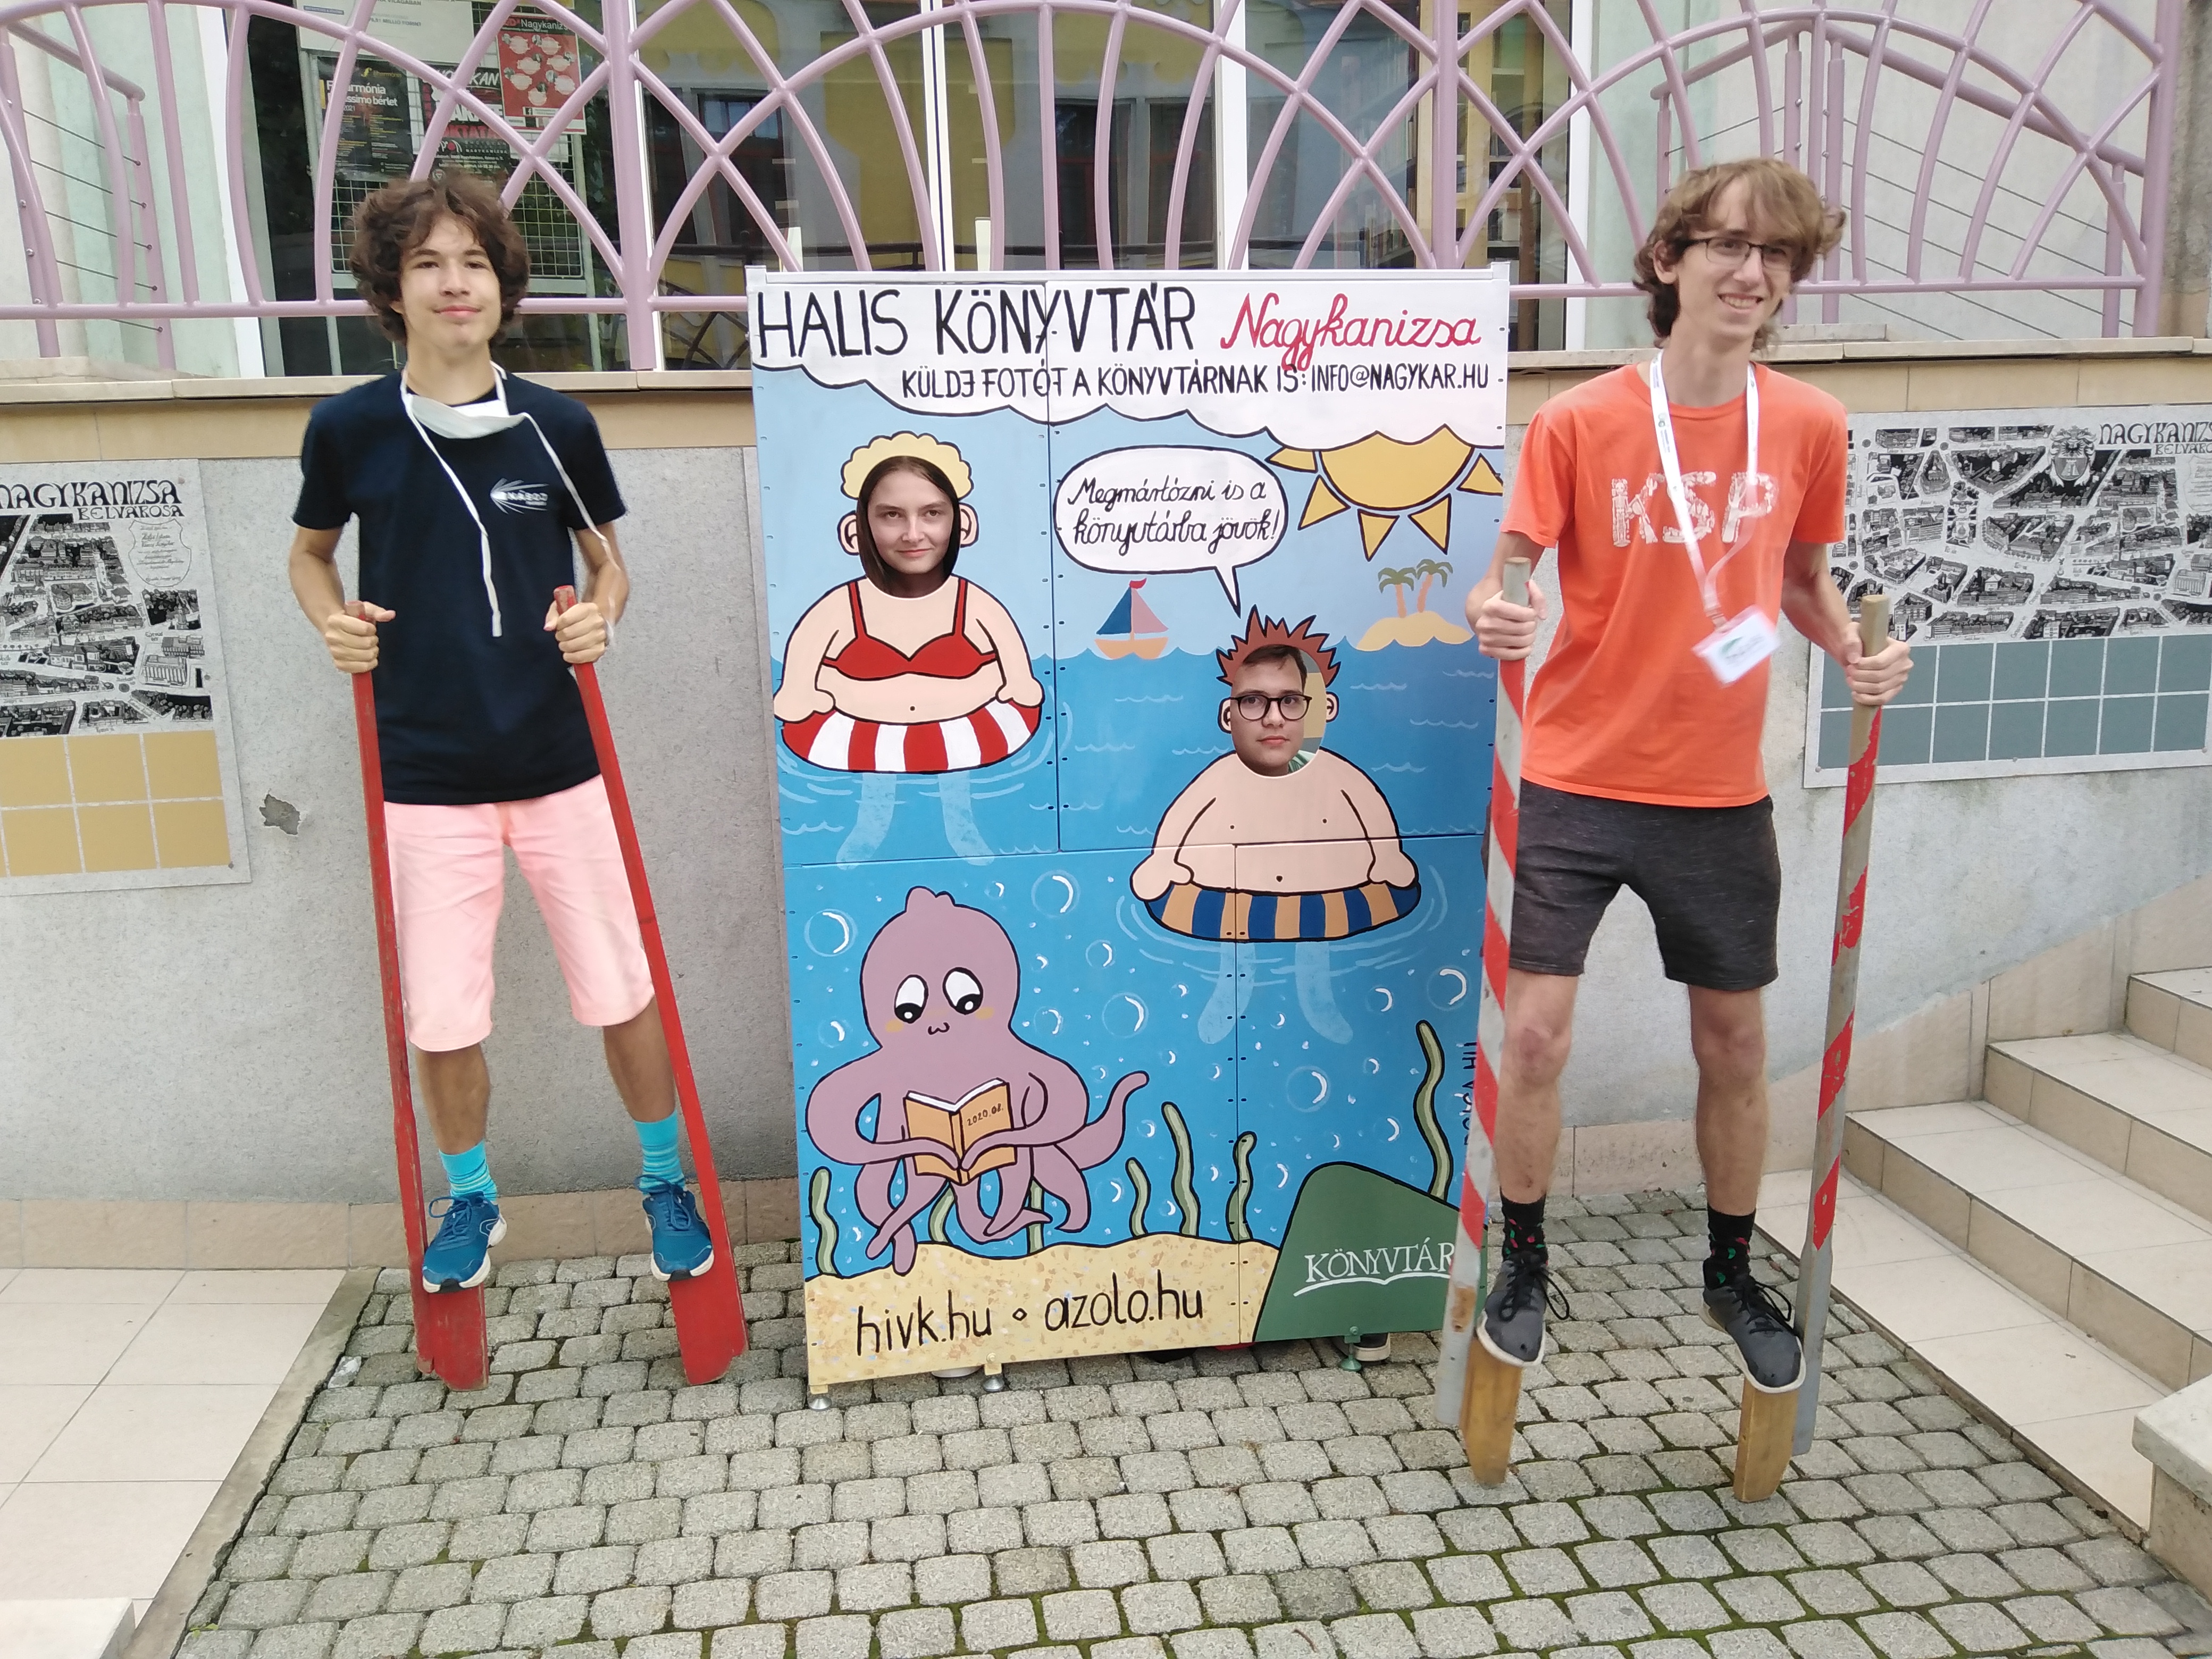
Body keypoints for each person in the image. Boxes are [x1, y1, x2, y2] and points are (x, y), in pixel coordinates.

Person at [1464, 157, 1912, 1390]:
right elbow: (1508, 573)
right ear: (1669, 260)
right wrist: (1497, 607)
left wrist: (1857, 652)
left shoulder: (1807, 424)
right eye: (1727, 245)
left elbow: (1801, 582)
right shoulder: (1579, 422)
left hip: (1717, 796)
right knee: (1535, 1038)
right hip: (1576, 778)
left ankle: (1727, 1269)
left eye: (1776, 255)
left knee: (1733, 1044)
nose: (1750, 273)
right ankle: (1524, 1262)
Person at [286, 171, 711, 1294]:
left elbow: (610, 562)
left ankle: (663, 1180)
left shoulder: (556, 425)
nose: (453, 283)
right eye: (427, 263)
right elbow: (310, 555)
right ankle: (471, 1199)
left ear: (501, 286)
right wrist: (332, 622)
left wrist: (601, 616)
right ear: (392, 290)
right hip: (423, 769)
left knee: (620, 987)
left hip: (559, 759)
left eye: (472, 262)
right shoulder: (348, 428)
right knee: (441, 1012)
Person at [1132, 612, 1420, 1046]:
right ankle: (1230, 995)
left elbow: (1372, 811)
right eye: (1253, 701)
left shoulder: (1337, 775)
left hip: (1324, 888)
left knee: (1316, 946)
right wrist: (1163, 862)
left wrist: (1387, 858)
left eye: (1290, 701)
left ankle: (1318, 1001)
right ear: (1228, 715)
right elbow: (1180, 821)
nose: (1273, 718)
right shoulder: (1219, 778)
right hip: (1228, 892)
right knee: (1236, 950)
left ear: (1323, 709)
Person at [772, 435, 1045, 864]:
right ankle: (870, 829)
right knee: (875, 780)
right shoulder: (843, 606)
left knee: (957, 772)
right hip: (865, 727)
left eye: (932, 513)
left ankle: (962, 829)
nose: (913, 534)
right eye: (891, 515)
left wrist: (1012, 684)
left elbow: (1018, 675)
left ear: (963, 523)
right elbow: (799, 678)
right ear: (856, 529)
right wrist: (802, 692)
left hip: (962, 723)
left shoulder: (972, 603)